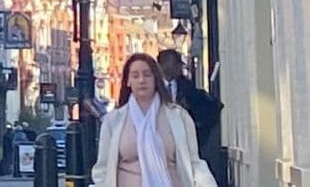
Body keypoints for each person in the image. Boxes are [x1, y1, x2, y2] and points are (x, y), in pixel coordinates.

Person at [90, 53, 218, 187]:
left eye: (147, 75)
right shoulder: (113, 121)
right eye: (135, 75)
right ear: (128, 81)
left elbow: (194, 162)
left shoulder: (179, 117)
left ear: (156, 79)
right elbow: (102, 168)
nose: (141, 80)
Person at [157, 50, 228, 186]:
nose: (180, 69)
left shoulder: (188, 86)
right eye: (176, 65)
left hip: (185, 140)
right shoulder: (154, 87)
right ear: (164, 65)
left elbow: (206, 109)